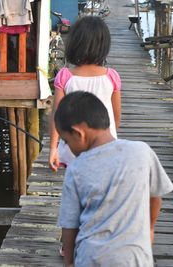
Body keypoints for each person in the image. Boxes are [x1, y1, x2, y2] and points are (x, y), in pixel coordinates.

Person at [55, 92, 173, 267]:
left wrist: (69, 263)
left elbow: (69, 225)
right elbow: (155, 197)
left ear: (78, 133)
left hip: (91, 258)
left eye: (66, 141)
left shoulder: (76, 168)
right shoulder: (142, 151)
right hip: (135, 257)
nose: (67, 147)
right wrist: (149, 228)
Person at [49, 15, 121, 172]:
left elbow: (56, 114)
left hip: (71, 150)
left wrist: (53, 149)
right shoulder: (111, 76)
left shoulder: (65, 75)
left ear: (74, 44)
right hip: (105, 150)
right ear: (104, 46)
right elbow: (116, 117)